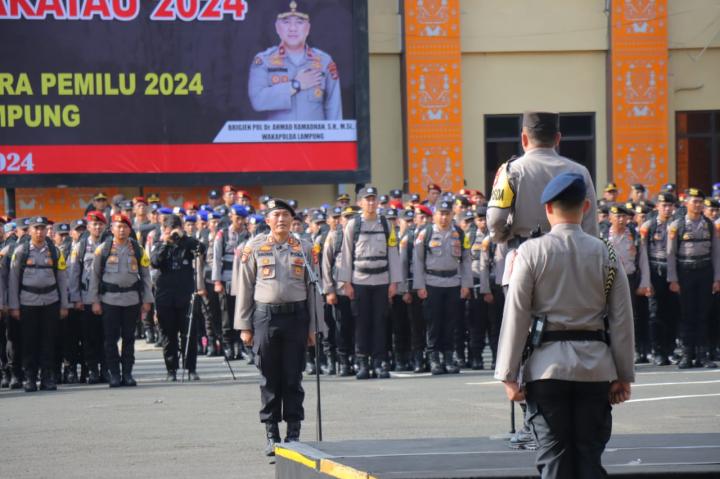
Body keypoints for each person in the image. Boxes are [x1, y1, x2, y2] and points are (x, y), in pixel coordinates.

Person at [495, 173, 635, 479]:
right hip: (595, 368)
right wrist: (624, 374)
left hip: (547, 369)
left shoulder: (530, 252)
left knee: (554, 460)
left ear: (547, 208)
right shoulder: (607, 253)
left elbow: (516, 315)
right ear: (586, 207)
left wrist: (509, 375)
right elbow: (622, 318)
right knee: (589, 457)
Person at [235, 199, 318, 456]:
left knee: (293, 376)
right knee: (269, 377)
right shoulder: (255, 246)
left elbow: (313, 288)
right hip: (265, 318)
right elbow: (244, 288)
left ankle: (293, 434)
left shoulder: (303, 247)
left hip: (296, 318)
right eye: (276, 215)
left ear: (293, 220)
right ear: (268, 221)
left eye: (286, 215)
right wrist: (244, 326)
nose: (281, 219)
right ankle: (272, 435)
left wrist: (314, 327)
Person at [487, 111, 598, 286]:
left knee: (518, 312)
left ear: (524, 139)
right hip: (568, 262)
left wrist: (505, 236)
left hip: (522, 258)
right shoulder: (580, 172)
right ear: (558, 139)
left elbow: (495, 220)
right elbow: (591, 228)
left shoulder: (510, 171)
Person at [338, 186, 402, 380]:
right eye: (368, 199)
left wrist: (394, 281)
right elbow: (346, 253)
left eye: (374, 199)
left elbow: (393, 252)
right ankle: (362, 362)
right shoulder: (353, 224)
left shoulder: (385, 224)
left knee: (380, 322)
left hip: (382, 280)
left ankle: (380, 361)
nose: (371, 203)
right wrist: (346, 282)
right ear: (360, 203)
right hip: (360, 281)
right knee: (362, 323)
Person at [88, 214, 153, 387]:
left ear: (130, 229)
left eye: (125, 227)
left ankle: (127, 374)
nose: (121, 230)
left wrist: (147, 299)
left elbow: (146, 276)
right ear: (112, 229)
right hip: (109, 300)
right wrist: (94, 300)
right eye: (118, 226)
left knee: (129, 338)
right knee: (110, 339)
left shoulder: (138, 249)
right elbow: (94, 276)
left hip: (132, 299)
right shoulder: (103, 249)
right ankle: (114, 374)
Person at [248, 1, 342, 121]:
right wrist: (295, 85)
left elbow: (334, 108)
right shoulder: (263, 61)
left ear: (308, 28)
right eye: (286, 22)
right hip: (277, 138)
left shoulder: (324, 61)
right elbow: (258, 100)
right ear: (277, 27)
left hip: (315, 139)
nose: (293, 28)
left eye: (299, 22)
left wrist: (334, 139)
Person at [8, 217, 70, 392]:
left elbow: (62, 278)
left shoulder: (54, 251)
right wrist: (14, 306)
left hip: (50, 301)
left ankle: (47, 377)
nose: (39, 232)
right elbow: (13, 280)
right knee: (29, 341)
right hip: (28, 302)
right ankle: (30, 378)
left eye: (42, 228)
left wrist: (64, 304)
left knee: (48, 341)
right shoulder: (21, 251)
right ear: (29, 231)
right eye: (36, 228)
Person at [412, 200, 472, 375]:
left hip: (453, 282)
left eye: (447, 213)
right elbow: (418, 261)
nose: (444, 217)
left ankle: (448, 357)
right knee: (433, 322)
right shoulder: (426, 233)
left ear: (452, 215)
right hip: (432, 283)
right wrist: (420, 286)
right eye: (441, 213)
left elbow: (466, 260)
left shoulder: (459, 234)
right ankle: (434, 358)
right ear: (435, 215)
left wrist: (466, 284)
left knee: (451, 322)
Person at [666, 188, 720, 369]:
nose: (697, 205)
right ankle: (687, 355)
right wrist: (672, 279)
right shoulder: (676, 225)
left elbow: (716, 254)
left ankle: (702, 355)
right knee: (686, 314)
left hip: (704, 271)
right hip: (685, 272)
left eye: (700, 202)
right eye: (694, 201)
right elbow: (670, 254)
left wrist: (716, 278)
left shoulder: (709, 225)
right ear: (686, 203)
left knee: (703, 313)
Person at [151, 214, 206, 381]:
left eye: (175, 229)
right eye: (169, 229)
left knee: (189, 333)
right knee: (168, 335)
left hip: (185, 296)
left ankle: (191, 369)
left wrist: (184, 238)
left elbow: (201, 249)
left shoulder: (188, 243)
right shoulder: (159, 244)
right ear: (164, 230)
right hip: (165, 297)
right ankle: (171, 370)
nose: (173, 233)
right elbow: (154, 261)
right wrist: (167, 242)